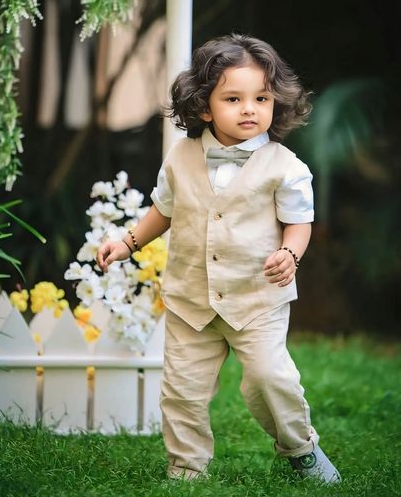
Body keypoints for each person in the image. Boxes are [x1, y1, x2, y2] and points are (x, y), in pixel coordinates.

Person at [96, 33, 341, 484]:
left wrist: (290, 252)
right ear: (205, 107)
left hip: (256, 299)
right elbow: (164, 211)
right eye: (234, 98)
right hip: (191, 298)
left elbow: (298, 223)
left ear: (275, 102)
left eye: (261, 98)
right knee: (183, 391)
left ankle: (299, 449)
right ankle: (186, 468)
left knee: (270, 379)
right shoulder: (180, 158)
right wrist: (128, 241)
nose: (250, 108)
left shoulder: (285, 167)